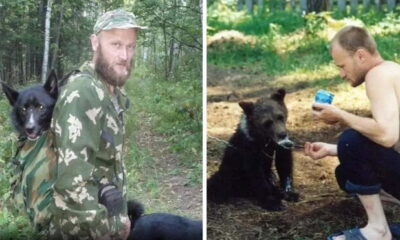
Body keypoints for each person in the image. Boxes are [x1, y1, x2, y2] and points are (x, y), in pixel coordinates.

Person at [47, 9, 146, 240]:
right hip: (82, 229)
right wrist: (106, 230)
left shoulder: (112, 92)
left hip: (105, 215)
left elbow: (103, 163)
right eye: (116, 44)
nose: (124, 55)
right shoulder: (83, 93)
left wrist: (119, 216)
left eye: (130, 46)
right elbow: (72, 184)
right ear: (95, 43)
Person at [304, 25, 400, 240]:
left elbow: (386, 136)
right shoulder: (393, 69)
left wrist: (341, 115)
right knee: (345, 170)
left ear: (360, 55)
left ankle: (378, 230)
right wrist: (332, 149)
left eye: (343, 65)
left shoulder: (378, 75)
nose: (342, 74)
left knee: (351, 140)